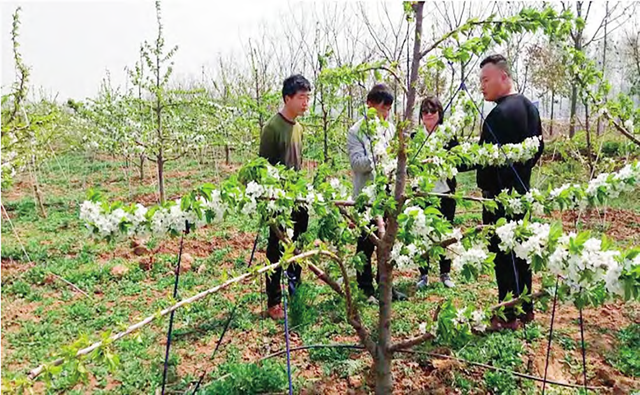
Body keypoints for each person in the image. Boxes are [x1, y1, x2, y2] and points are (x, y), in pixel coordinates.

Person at [477, 54, 544, 330]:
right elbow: (538, 147)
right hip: (522, 193)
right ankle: (526, 310)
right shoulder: (530, 108)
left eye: (486, 80)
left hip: (499, 199)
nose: (482, 86)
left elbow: (484, 157)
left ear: (504, 77)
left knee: (503, 255)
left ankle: (507, 316)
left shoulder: (499, 114)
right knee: (522, 253)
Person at [347, 83, 407, 303]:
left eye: (388, 109)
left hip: (388, 195)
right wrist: (378, 157)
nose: (385, 113)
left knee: (388, 242)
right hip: (366, 196)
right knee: (366, 243)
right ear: (369, 105)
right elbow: (356, 164)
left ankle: (387, 287)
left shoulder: (390, 129)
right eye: (382, 108)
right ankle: (365, 287)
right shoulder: (356, 131)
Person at [259, 74, 311, 320]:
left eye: (308, 97)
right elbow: (264, 169)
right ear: (287, 98)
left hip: (298, 198)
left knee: (297, 244)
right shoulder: (272, 128)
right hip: (278, 200)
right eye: (301, 97)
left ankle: (295, 290)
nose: (306, 102)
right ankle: (274, 300)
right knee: (276, 248)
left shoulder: (299, 128)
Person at [415, 95, 456, 289]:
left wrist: (442, 162)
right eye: (425, 111)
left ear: (440, 114)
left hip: (445, 192)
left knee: (444, 234)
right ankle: (423, 274)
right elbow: (410, 166)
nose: (429, 114)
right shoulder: (416, 137)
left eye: (433, 111)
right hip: (423, 194)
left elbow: (460, 162)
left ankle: (445, 273)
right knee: (422, 232)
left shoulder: (448, 135)